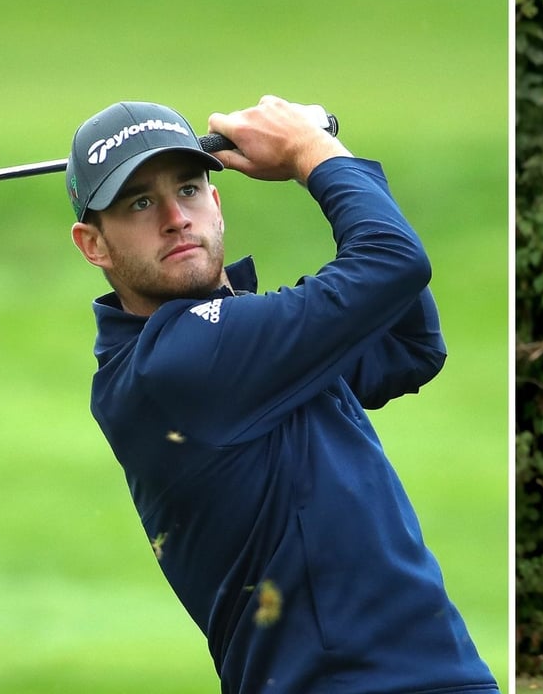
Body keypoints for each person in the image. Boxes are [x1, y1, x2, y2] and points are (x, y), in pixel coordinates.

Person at [66, 96, 499, 694]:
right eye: (140, 203)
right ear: (94, 245)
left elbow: (407, 343)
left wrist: (317, 153)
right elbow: (392, 261)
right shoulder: (174, 364)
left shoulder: (239, 341)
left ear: (216, 203)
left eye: (188, 189)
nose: (174, 216)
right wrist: (311, 150)